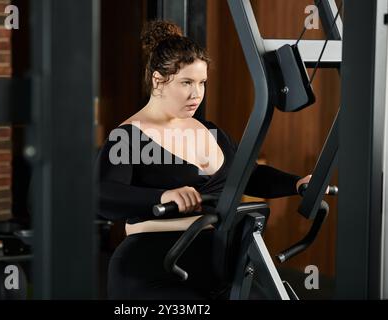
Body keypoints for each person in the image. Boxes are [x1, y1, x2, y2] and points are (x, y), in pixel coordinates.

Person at [96, 20, 312, 299]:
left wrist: (297, 184)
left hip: (220, 267)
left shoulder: (209, 130)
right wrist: (162, 196)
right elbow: (104, 195)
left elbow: (248, 176)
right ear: (158, 80)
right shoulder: (127, 137)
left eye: (202, 83)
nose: (196, 93)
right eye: (186, 82)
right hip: (154, 269)